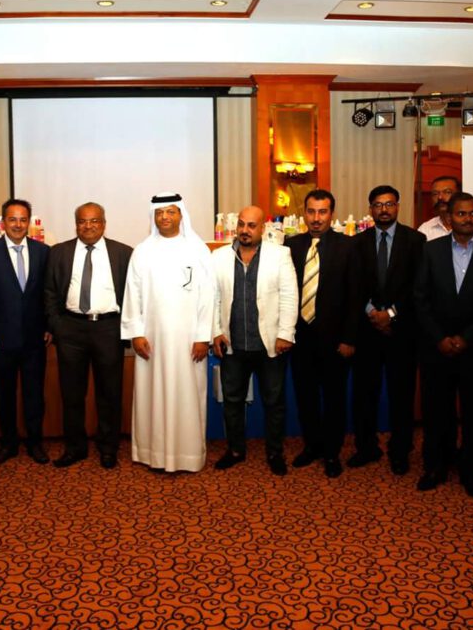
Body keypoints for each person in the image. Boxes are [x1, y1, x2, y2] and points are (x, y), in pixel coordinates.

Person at [413, 191, 473, 498]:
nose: (468, 219)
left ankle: (471, 471)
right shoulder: (430, 250)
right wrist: (440, 337)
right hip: (436, 347)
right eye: (461, 214)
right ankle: (435, 466)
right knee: (436, 413)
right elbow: (419, 299)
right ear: (449, 217)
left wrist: (466, 338)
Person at [121, 193, 214, 473]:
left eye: (171, 212)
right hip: (151, 341)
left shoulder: (197, 249)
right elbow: (133, 294)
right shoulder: (142, 251)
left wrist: (203, 336)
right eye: (160, 213)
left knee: (187, 395)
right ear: (154, 216)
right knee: (152, 395)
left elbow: (208, 295)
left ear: (181, 214)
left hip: (189, 341)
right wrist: (136, 333)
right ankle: (152, 453)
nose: (165, 217)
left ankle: (188, 456)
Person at [44, 202, 132, 469]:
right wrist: (58, 327)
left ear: (104, 224)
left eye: (94, 221)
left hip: (108, 328)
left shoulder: (123, 253)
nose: (88, 226)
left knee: (110, 392)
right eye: (83, 221)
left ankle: (108, 448)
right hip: (71, 329)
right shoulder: (59, 252)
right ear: (76, 225)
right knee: (72, 393)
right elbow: (49, 292)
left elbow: (133, 294)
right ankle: (75, 447)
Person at [211, 205, 297, 475]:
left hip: (269, 344)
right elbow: (213, 298)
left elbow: (289, 296)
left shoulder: (280, 255)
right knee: (232, 401)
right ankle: (235, 450)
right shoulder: (219, 256)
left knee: (274, 402)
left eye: (251, 225)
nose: (245, 230)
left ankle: (274, 452)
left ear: (263, 228)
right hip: (233, 344)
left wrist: (285, 333)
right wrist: (215, 331)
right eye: (241, 224)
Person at [349, 185, 425, 476]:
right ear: (370, 209)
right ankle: (366, 447)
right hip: (366, 332)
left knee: (401, 396)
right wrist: (372, 313)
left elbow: (419, 286)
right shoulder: (357, 243)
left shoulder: (416, 241)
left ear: (398, 207)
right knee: (364, 394)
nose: (384, 209)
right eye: (378, 205)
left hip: (402, 332)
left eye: (389, 204)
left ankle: (400, 450)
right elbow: (353, 285)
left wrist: (391, 314)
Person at [284, 189, 360, 478]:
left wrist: (349, 339)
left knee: (334, 399)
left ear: (332, 214)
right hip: (300, 339)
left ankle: (331, 453)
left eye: (322, 212)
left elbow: (355, 296)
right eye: (311, 211)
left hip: (335, 341)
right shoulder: (291, 245)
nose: (316, 218)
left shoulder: (348, 246)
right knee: (306, 397)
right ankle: (312, 446)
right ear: (304, 213)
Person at [0, 199, 51, 466]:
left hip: (35, 339)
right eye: (12, 219)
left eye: (23, 219)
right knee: (5, 395)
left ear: (28, 222)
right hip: (0, 340)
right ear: (3, 223)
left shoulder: (43, 252)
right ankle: (8, 444)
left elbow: (48, 294)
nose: (18, 225)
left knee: (34, 395)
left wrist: (49, 326)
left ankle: (35, 443)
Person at [417, 176, 473, 240]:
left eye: (447, 192)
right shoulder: (425, 229)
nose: (440, 197)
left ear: (459, 194)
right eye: (435, 194)